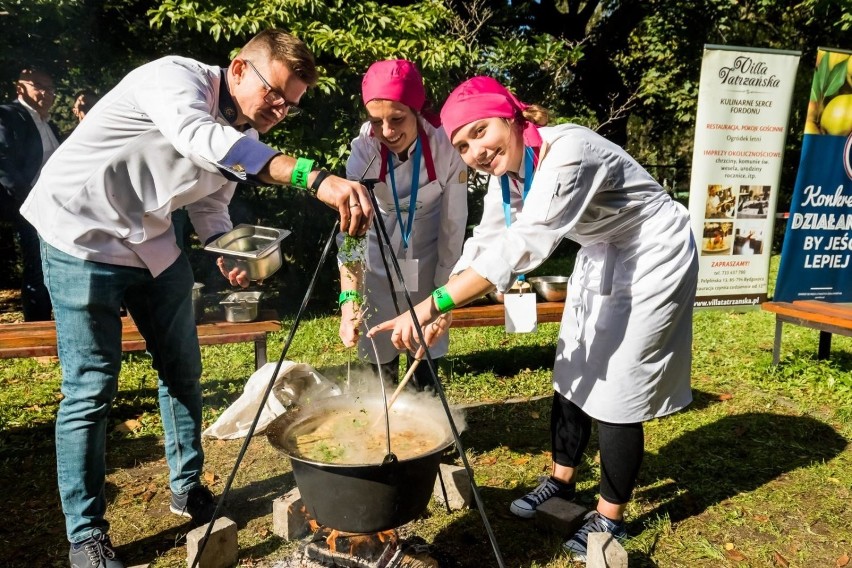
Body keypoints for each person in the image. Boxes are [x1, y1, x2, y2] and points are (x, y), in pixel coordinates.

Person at [20, 29, 373, 568]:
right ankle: (85, 534)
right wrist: (311, 176)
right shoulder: (173, 80)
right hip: (81, 232)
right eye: (274, 93)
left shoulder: (243, 125)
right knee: (91, 387)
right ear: (237, 69)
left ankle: (187, 488)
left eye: (290, 105)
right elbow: (201, 140)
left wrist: (224, 247)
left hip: (151, 242)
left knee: (182, 368)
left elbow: (213, 197)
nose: (278, 109)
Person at [368, 76, 698, 562]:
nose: (475, 151)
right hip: (602, 250)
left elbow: (528, 243)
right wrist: (447, 306)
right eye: (462, 144)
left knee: (618, 389)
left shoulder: (570, 151)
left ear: (511, 118)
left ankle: (610, 516)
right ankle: (561, 481)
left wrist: (431, 305)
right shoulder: (509, 173)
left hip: (653, 250)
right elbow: (488, 239)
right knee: (572, 369)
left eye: (481, 132)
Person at [338, 59, 468, 390]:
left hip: (429, 249)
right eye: (376, 121)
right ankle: (383, 418)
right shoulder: (363, 149)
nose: (387, 132)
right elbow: (351, 231)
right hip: (378, 249)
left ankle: (427, 411)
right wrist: (348, 301)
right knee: (377, 340)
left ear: (417, 110)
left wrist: (444, 294)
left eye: (397, 119)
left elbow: (454, 226)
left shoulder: (445, 147)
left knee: (426, 339)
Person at [0, 67, 60, 321]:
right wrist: (25, 200)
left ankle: (53, 327)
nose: (46, 92)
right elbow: (3, 162)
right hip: (31, 206)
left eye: (50, 87)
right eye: (39, 85)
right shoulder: (9, 116)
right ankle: (38, 330)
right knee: (37, 267)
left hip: (57, 207)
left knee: (54, 266)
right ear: (20, 88)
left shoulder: (50, 125)